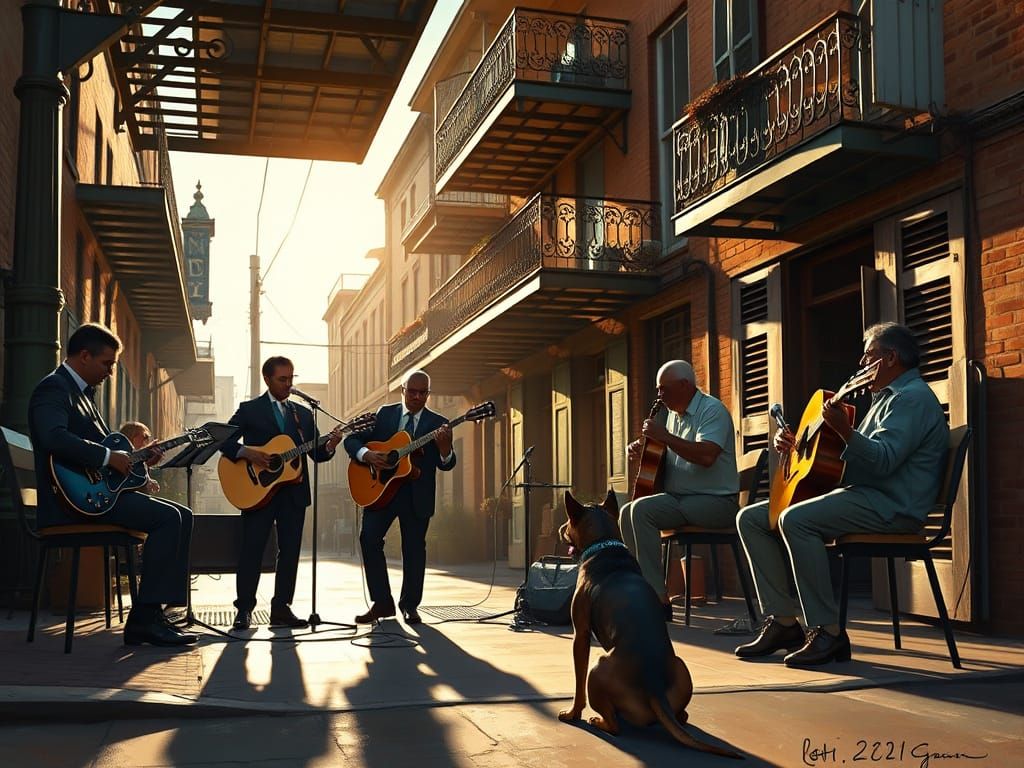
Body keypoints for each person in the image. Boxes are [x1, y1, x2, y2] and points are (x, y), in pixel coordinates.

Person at [735, 322, 948, 667]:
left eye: (868, 355)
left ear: (891, 358)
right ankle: (783, 622)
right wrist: (796, 447)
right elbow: (844, 460)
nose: (861, 363)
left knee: (796, 520)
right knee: (752, 518)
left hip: (893, 506)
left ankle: (827, 631)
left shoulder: (911, 398)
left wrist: (846, 430)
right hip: (865, 495)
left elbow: (882, 461)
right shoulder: (885, 398)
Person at [28, 323, 196, 647]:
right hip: (69, 504)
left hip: (94, 495)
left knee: (184, 515)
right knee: (168, 518)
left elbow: (108, 460)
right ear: (84, 356)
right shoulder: (54, 388)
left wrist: (139, 460)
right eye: (107, 363)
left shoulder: (83, 395)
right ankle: (145, 621)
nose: (110, 372)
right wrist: (109, 457)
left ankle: (157, 612)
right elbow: (53, 437)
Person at [221, 356, 341, 630]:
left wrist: (331, 444)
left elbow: (317, 454)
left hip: (294, 493)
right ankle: (244, 609)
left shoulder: (303, 414)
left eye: (291, 379)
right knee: (252, 549)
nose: (288, 384)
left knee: (290, 552)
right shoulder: (250, 410)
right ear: (267, 379)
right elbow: (223, 441)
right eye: (282, 379)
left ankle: (281, 608)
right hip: (257, 491)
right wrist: (248, 453)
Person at [619, 360, 739, 622]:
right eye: (658, 389)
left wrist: (665, 437)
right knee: (627, 512)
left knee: (642, 511)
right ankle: (640, 589)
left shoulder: (712, 410)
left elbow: (706, 456)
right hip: (682, 500)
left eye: (664, 389)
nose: (659, 395)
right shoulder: (673, 415)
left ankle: (656, 599)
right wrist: (645, 449)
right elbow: (672, 454)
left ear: (685, 385)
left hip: (717, 503)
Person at [344, 370, 455, 625]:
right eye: (412, 391)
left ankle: (410, 605)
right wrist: (366, 455)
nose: (417, 397)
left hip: (417, 496)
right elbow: (352, 440)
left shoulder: (439, 423)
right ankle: (382, 602)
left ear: (428, 393)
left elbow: (447, 463)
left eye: (423, 393)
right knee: (368, 539)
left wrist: (445, 449)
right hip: (380, 490)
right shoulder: (384, 414)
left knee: (414, 550)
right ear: (402, 390)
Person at [119, 421, 160, 494]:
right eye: (145, 437)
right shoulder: (121, 457)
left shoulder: (139, 460)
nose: (147, 441)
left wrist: (150, 481)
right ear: (132, 437)